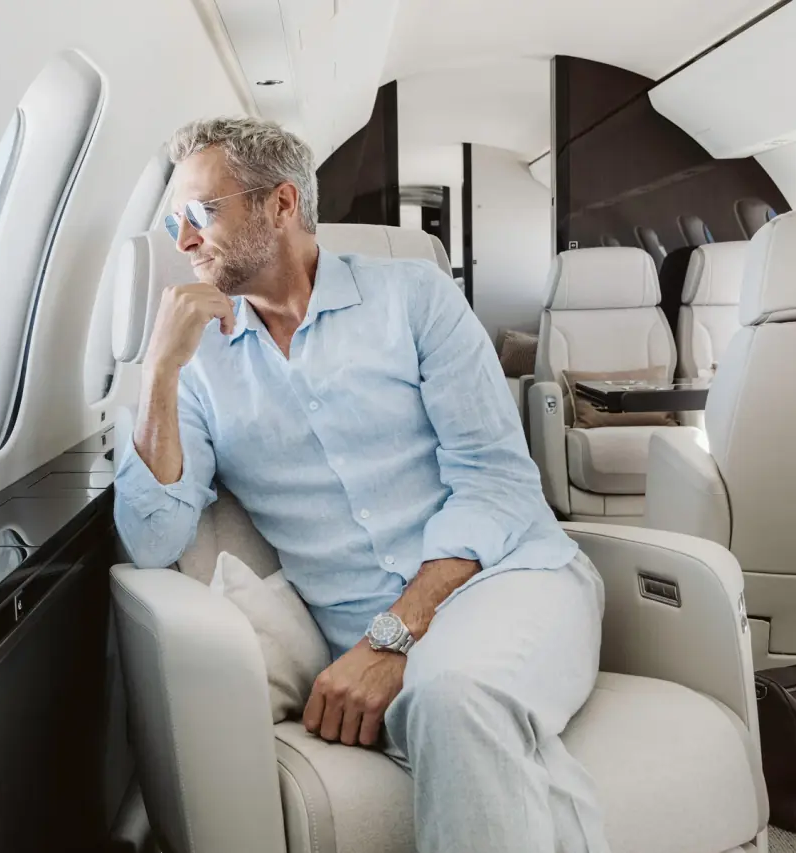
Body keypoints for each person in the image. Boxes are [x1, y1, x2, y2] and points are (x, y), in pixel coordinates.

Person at [113, 116, 610, 852]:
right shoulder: (197, 365)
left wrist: (391, 638)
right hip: (381, 643)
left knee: (452, 694)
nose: (183, 240)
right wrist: (157, 370)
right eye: (174, 220)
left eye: (203, 212)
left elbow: (497, 483)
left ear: (282, 204)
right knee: (457, 705)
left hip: (513, 581)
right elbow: (152, 540)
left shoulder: (415, 297)